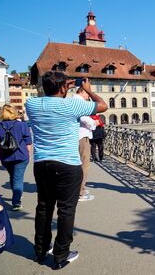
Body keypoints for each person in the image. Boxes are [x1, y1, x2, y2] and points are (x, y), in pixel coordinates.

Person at [25, 71, 108, 270]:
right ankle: (61, 255)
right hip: (67, 165)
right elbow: (103, 106)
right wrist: (87, 90)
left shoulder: (32, 104)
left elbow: (46, 95)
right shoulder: (72, 104)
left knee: (43, 208)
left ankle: (41, 250)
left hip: (42, 163)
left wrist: (61, 86)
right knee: (66, 211)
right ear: (63, 88)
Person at [0, 104, 32, 211]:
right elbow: (28, 142)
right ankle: (16, 202)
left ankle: (17, 194)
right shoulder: (22, 125)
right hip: (21, 155)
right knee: (18, 178)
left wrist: (0, 156)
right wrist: (28, 153)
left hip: (6, 157)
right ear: (14, 112)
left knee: (13, 176)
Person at [74, 87, 96, 202]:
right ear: (82, 91)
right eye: (88, 93)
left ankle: (78, 188)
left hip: (77, 136)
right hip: (82, 137)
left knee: (78, 164)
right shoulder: (79, 102)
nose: (89, 96)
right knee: (84, 164)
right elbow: (84, 118)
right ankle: (80, 192)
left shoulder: (74, 100)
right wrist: (94, 123)